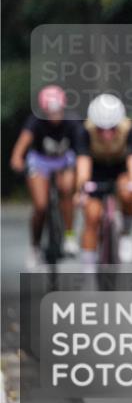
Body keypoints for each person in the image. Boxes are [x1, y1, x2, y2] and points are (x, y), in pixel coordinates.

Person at [74, 94, 132, 269]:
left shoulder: (130, 128)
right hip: (96, 170)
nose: (107, 135)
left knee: (129, 192)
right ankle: (88, 267)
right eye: (101, 129)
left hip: (120, 167)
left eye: (111, 129)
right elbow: (83, 164)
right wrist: (81, 190)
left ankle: (126, 233)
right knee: (91, 216)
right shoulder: (84, 130)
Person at [9, 85, 79, 268]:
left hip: (64, 161)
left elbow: (82, 150)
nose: (55, 115)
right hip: (40, 161)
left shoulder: (72, 122)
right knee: (40, 206)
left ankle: (69, 236)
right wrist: (17, 158)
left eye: (58, 111)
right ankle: (35, 246)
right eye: (50, 111)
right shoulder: (35, 121)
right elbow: (22, 143)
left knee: (66, 190)